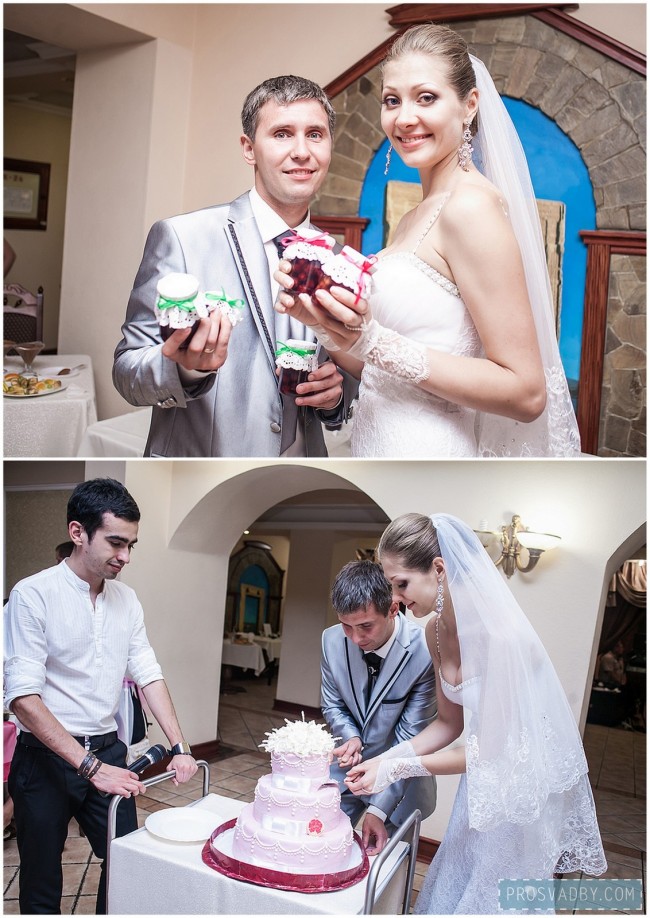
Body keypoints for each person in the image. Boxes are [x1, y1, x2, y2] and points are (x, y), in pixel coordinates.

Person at [274, 24, 581, 458]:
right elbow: (384, 371)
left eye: (426, 98)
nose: (404, 118)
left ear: (469, 105)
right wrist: (324, 324)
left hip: (430, 456)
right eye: (392, 100)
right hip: (380, 447)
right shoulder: (415, 216)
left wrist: (373, 340)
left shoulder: (470, 207)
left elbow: (526, 393)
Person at [344, 513, 607, 914]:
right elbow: (449, 724)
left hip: (520, 779)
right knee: (461, 869)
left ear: (439, 569)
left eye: (401, 584)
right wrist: (384, 760)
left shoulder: (500, 636)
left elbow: (493, 750)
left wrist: (396, 770)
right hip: (481, 773)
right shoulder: (433, 632)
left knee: (494, 889)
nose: (394, 599)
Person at [113, 75, 357, 457]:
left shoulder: (338, 259)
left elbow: (351, 372)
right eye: (281, 134)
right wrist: (186, 369)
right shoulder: (182, 237)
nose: (301, 151)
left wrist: (334, 397)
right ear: (249, 148)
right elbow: (127, 371)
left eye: (315, 134)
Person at [4, 478, 199, 914]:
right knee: (40, 882)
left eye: (131, 545)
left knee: (126, 864)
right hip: (45, 761)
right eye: (115, 542)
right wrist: (90, 768)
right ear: (78, 532)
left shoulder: (127, 600)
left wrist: (180, 746)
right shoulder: (32, 595)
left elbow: (148, 674)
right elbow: (22, 697)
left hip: (109, 751)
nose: (125, 556)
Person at [321, 559, 437, 855]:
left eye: (365, 626)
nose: (355, 638)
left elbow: (411, 738)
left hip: (400, 785)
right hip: (345, 775)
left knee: (387, 869)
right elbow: (333, 704)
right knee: (322, 852)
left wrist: (379, 809)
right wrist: (351, 736)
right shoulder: (331, 640)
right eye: (347, 626)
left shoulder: (425, 652)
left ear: (393, 609)